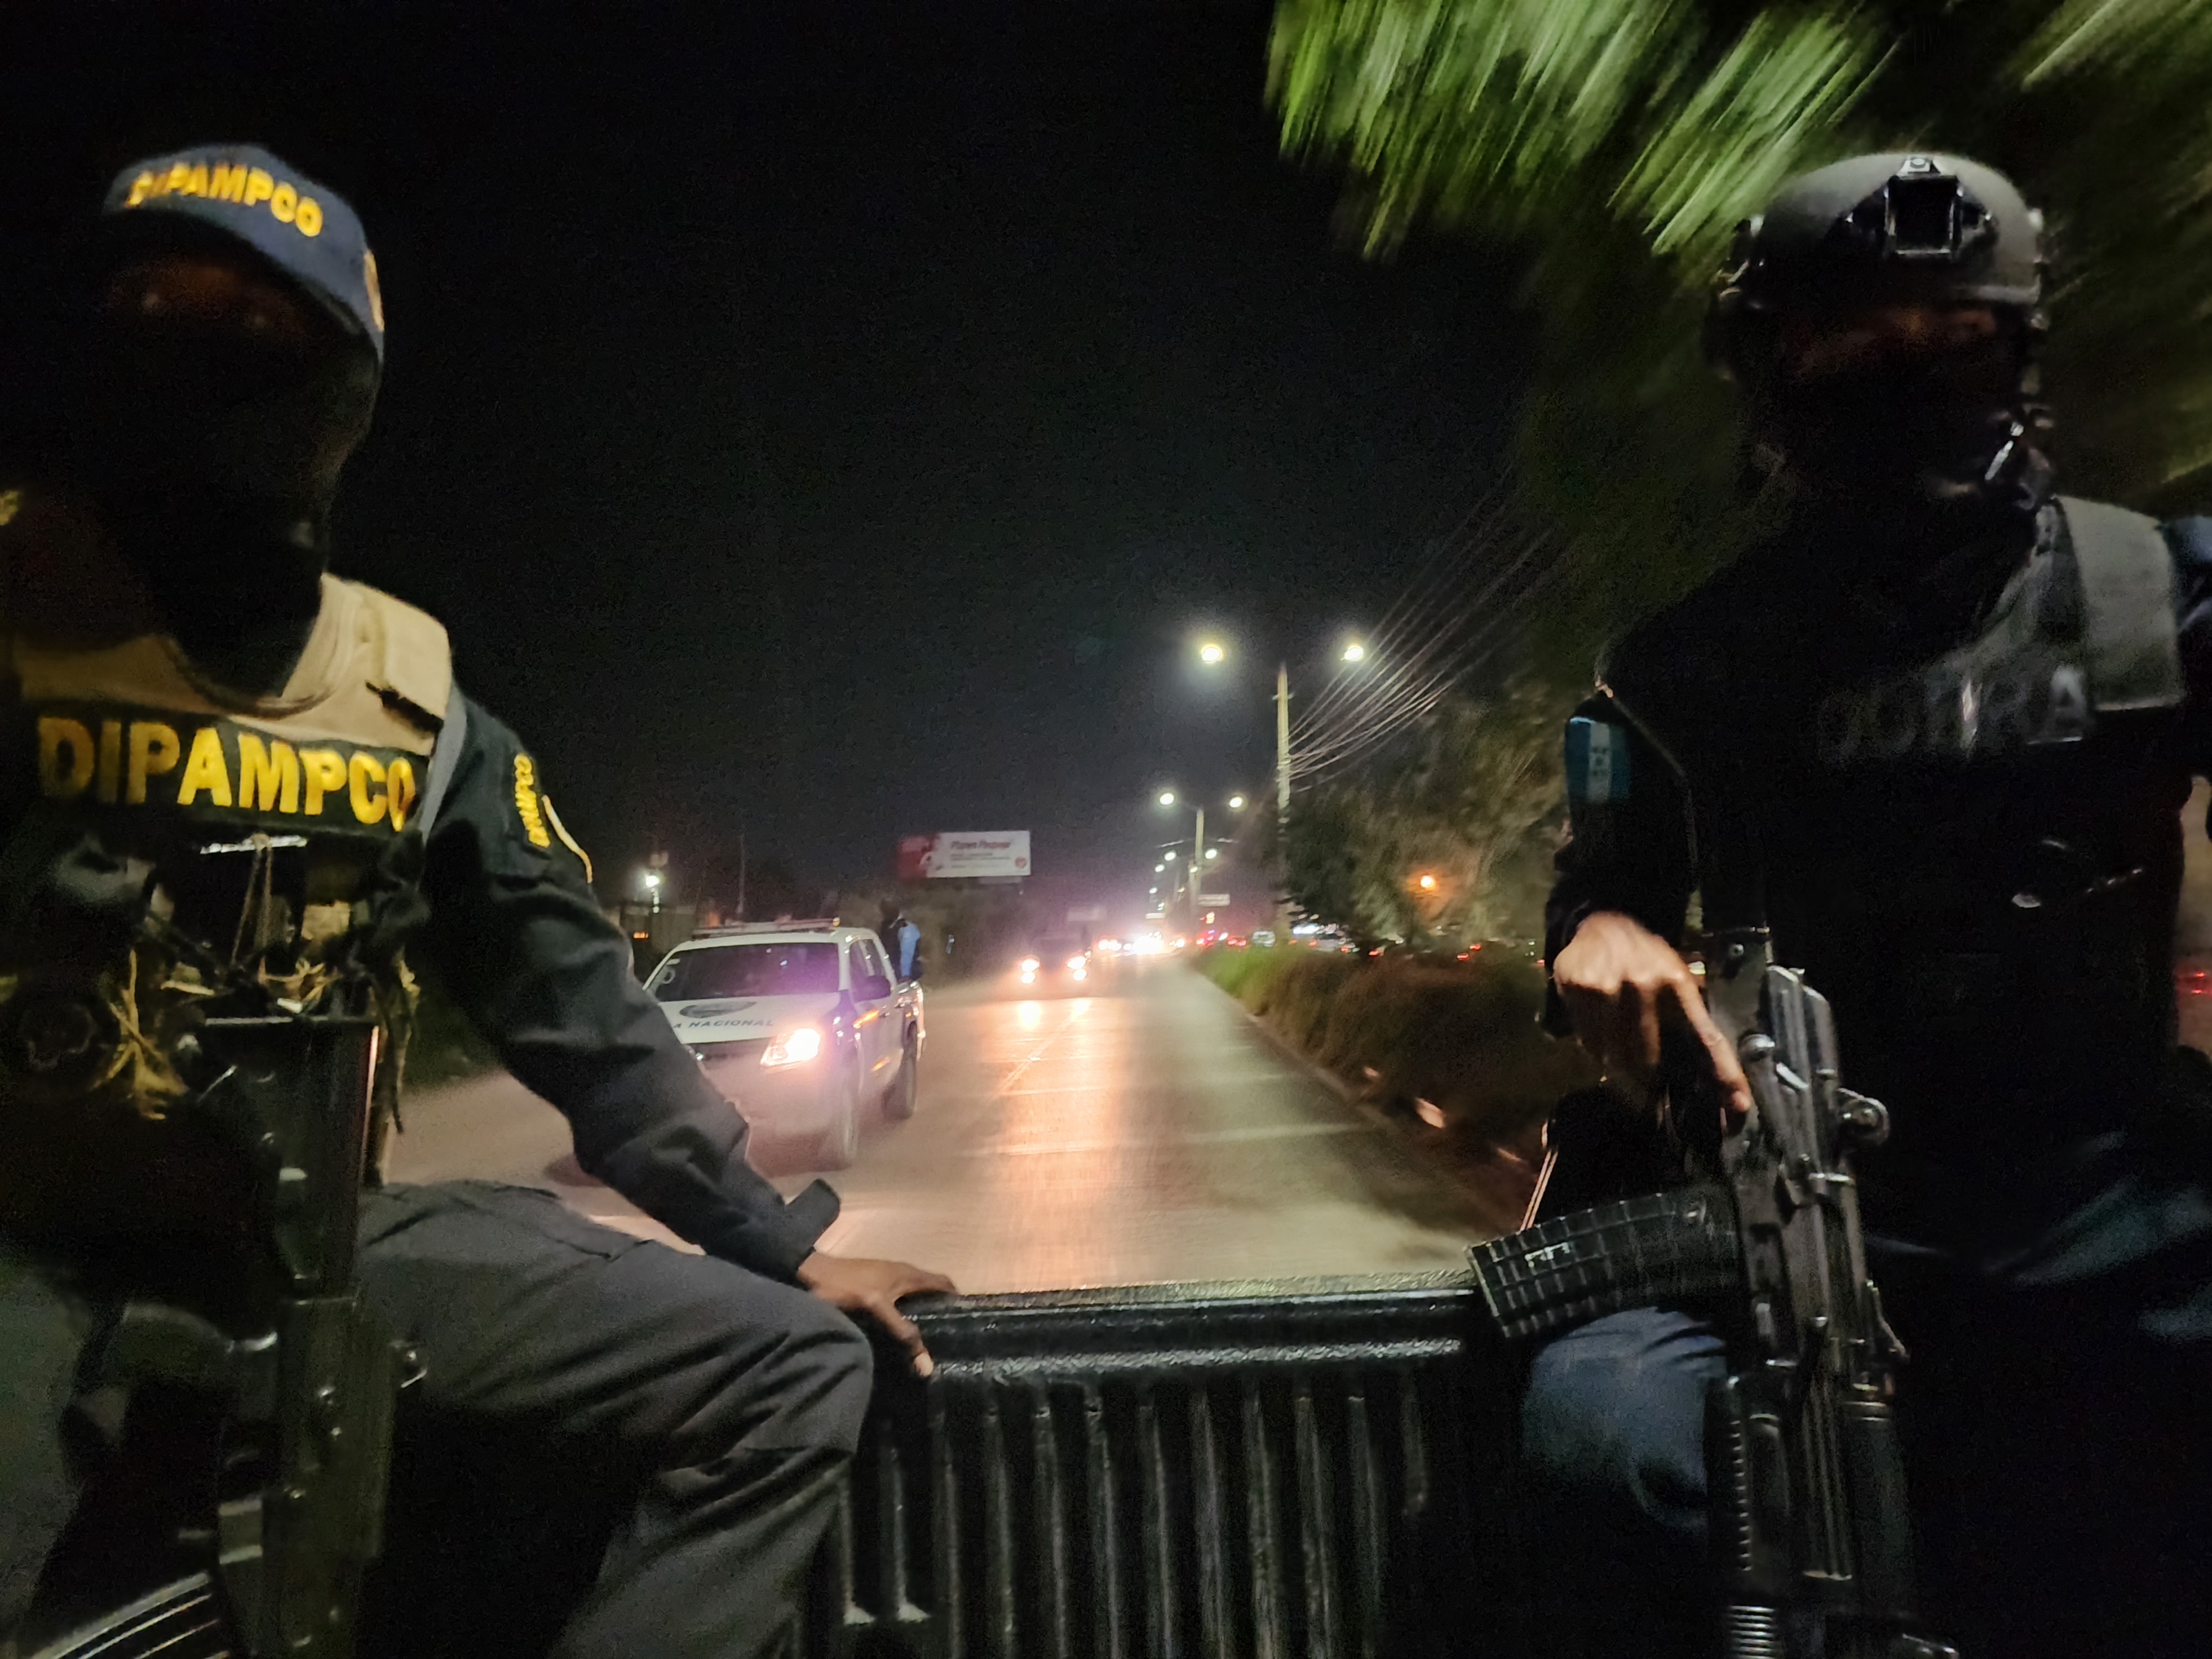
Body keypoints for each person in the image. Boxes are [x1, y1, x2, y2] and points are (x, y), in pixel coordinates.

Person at [0, 144, 953, 1659]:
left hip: (319, 1259)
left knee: (791, 1372)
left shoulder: (412, 702)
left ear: (341, 390)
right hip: (30, 1253)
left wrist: (779, 1248)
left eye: (254, 332)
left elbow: (579, 1008)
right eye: (155, 306)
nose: (199, 354)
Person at [1533, 153, 2212, 1658]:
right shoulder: (1684, 669)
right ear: (1777, 377)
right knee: (1600, 1438)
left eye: (1950, 343)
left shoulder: (2159, 595)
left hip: (2111, 1196)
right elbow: (1598, 899)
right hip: (1806, 1218)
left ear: (2018, 355)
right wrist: (1604, 940)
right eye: (1854, 350)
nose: (1905, 381)